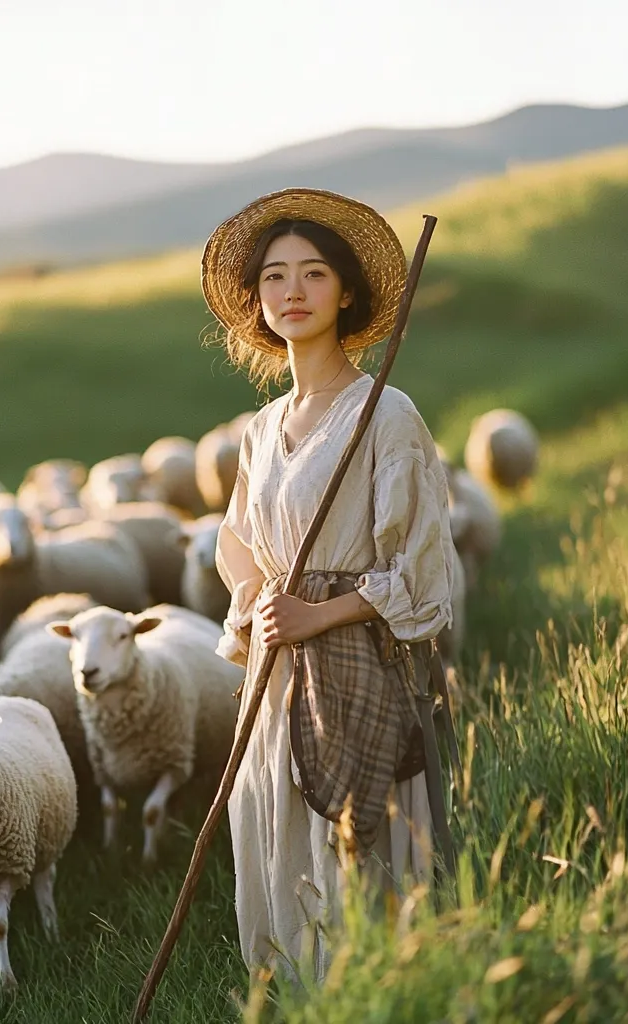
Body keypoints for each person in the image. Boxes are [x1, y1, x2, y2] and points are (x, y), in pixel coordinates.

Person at [203, 188, 457, 985]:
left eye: (314, 274)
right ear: (257, 301)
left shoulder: (385, 414)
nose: (294, 291)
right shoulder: (260, 428)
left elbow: (421, 569)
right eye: (275, 277)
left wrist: (322, 613)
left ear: (347, 292)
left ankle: (379, 991)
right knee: (279, 832)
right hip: (278, 673)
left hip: (356, 662)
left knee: (358, 844)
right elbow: (235, 540)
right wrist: (260, 605)